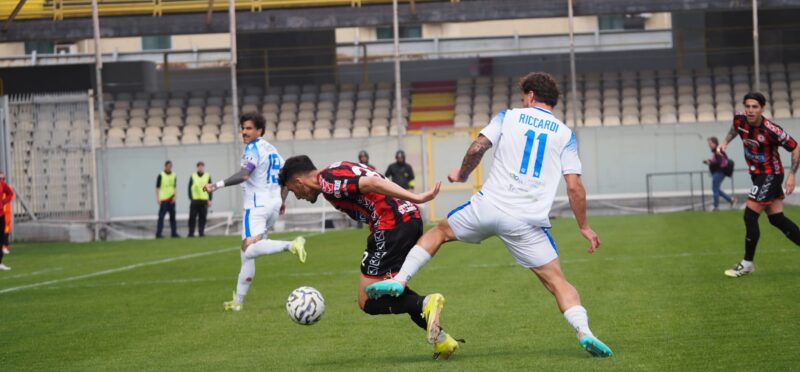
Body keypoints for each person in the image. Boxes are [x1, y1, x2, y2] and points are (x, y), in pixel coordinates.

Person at [367, 72, 613, 358]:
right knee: (557, 282)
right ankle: (585, 332)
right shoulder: (565, 134)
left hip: (488, 206)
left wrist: (461, 173)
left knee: (439, 232)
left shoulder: (508, 117)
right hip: (526, 221)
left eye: (524, 96)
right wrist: (584, 226)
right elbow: (575, 188)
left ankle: (400, 280)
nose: (522, 100)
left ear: (531, 95)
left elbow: (478, 147)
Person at [279, 156, 461, 360]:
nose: (298, 196)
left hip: (391, 225)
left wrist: (416, 197)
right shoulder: (337, 167)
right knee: (391, 290)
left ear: (299, 182)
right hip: (405, 220)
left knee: (367, 301)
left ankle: (426, 303)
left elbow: (372, 182)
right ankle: (442, 340)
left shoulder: (327, 182)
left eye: (294, 191)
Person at [204, 112, 306, 312]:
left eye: (249, 128)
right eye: (242, 128)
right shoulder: (274, 151)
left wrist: (217, 185)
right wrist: (282, 201)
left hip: (256, 206)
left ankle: (291, 244)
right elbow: (286, 179)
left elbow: (244, 175)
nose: (244, 132)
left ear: (259, 130)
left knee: (249, 249)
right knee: (247, 255)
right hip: (273, 205)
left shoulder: (252, 148)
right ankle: (238, 302)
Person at [716, 92, 800, 277]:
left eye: (755, 107)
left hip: (771, 174)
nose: (750, 110)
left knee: (749, 216)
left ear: (762, 108)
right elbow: (734, 129)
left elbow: (795, 148)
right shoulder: (740, 118)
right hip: (757, 175)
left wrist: (792, 175)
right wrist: (724, 143)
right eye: (748, 106)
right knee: (777, 219)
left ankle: (747, 264)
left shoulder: (772, 130)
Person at [704, 137, 735, 210]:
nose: (709, 145)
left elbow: (720, 162)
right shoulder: (716, 151)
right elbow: (719, 161)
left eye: (710, 143)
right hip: (718, 172)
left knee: (715, 189)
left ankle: (716, 206)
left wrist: (710, 162)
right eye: (708, 143)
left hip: (719, 172)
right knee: (716, 189)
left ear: (715, 143)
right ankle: (731, 200)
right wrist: (710, 162)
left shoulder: (718, 151)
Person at [188, 161, 213, 237]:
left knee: (203, 217)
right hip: (195, 200)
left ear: (204, 167)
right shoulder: (193, 176)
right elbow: (189, 188)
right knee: (192, 217)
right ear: (197, 167)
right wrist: (191, 198)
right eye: (199, 166)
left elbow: (210, 188)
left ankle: (201, 232)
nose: (201, 168)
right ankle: (191, 233)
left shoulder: (207, 176)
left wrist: (210, 199)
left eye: (202, 166)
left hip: (204, 200)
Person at [155, 160, 179, 238]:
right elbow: (157, 188)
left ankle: (174, 233)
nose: (169, 168)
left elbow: (174, 186)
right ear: (165, 166)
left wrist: (175, 196)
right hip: (164, 200)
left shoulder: (174, 175)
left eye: (170, 166)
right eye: (168, 166)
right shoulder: (161, 175)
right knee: (161, 217)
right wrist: (158, 198)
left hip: (171, 199)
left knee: (173, 217)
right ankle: (158, 233)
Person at [0, 171, 14, 271]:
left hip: (0, 215)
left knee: (1, 239)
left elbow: (10, 193)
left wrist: (3, 202)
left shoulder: (2, 184)